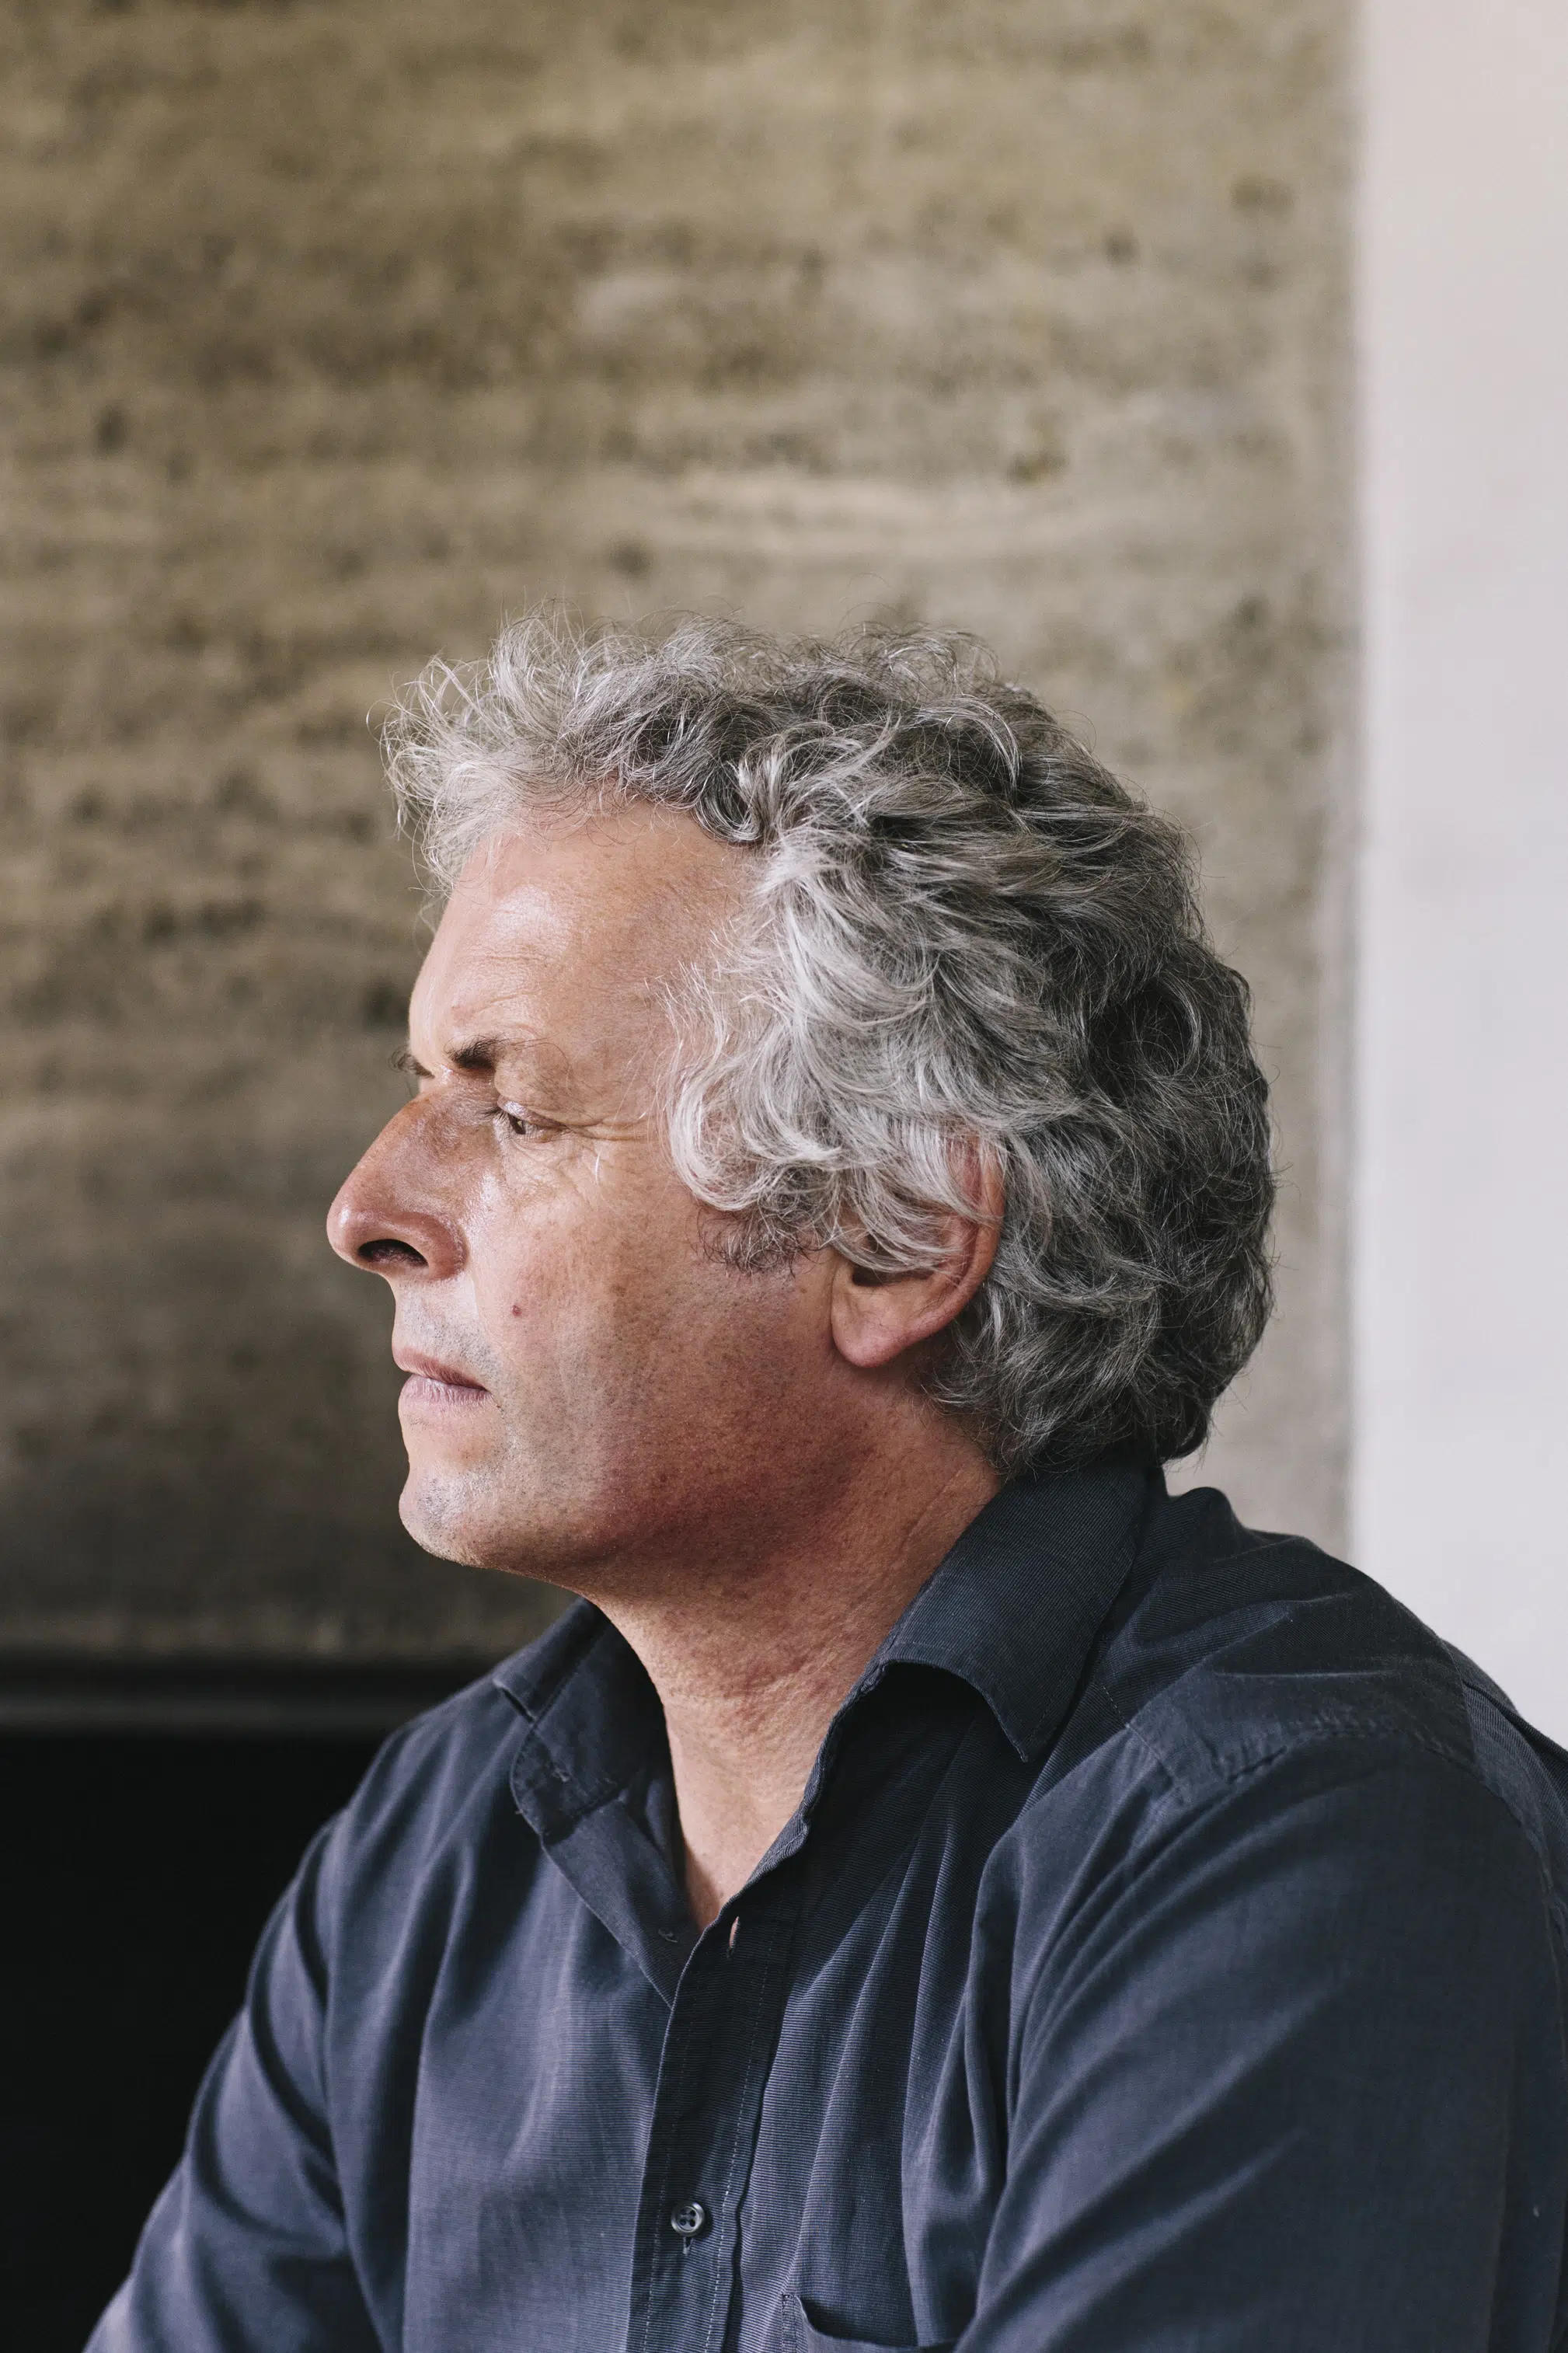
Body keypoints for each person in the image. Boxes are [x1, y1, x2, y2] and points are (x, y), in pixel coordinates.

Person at [92, 615, 1568, 2353]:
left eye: (515, 1112)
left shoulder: (1293, 1829)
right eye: (420, 1085)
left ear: (898, 1234)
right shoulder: (431, 1850)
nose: (367, 1210)